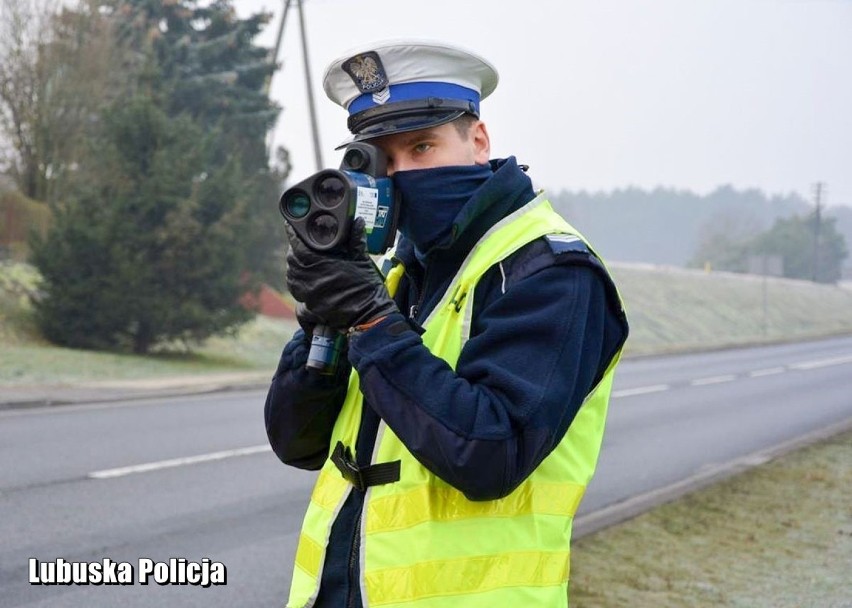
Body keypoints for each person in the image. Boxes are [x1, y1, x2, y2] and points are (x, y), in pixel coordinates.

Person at [265, 39, 629, 608]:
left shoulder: (550, 271)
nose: (404, 173)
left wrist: (368, 323)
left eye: (423, 146)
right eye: (385, 159)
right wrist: (320, 325)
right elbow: (297, 441)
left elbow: (489, 454)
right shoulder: (397, 272)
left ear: (478, 141)